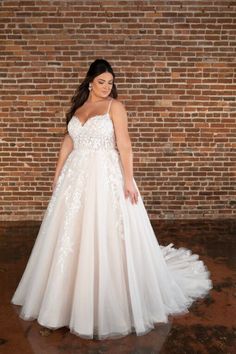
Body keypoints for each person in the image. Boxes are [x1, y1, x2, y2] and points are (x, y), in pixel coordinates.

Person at [11, 58, 213, 340]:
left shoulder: (114, 107)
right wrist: (56, 175)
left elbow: (125, 143)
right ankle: (66, 298)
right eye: (101, 82)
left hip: (105, 175)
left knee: (105, 233)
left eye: (110, 82)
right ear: (90, 82)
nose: (106, 87)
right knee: (70, 235)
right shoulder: (79, 108)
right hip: (76, 177)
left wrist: (128, 180)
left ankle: (111, 296)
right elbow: (68, 141)